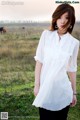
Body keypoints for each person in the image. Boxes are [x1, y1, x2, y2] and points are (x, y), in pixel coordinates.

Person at [32, 3, 79, 120]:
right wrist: (37, 85)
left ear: (71, 21)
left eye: (67, 18)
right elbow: (39, 62)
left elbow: (72, 69)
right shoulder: (46, 35)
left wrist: (74, 93)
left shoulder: (74, 43)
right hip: (45, 90)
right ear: (55, 18)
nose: (62, 21)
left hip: (63, 92)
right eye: (60, 17)